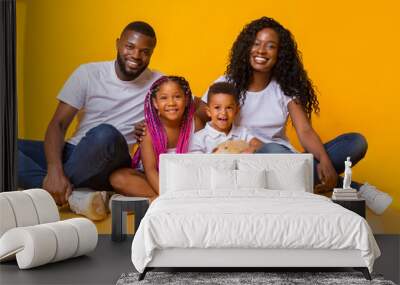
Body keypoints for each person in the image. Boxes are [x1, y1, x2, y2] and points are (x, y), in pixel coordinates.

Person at [195, 17, 392, 214]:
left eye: (270, 46)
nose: (261, 50)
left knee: (355, 142)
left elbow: (304, 130)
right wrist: (205, 149)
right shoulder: (227, 83)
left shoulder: (285, 88)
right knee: (271, 151)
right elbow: (201, 115)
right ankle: (355, 188)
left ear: (280, 54)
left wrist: (324, 161)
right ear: (246, 48)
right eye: (256, 43)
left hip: (288, 159)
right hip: (252, 162)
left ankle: (310, 180)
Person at [17, 21, 162, 219]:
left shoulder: (158, 84)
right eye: (130, 47)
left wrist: (156, 127)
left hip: (112, 156)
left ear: (152, 53)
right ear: (118, 44)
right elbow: (58, 125)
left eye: (145, 51)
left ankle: (53, 189)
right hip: (75, 151)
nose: (136, 56)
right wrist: (54, 170)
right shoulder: (88, 73)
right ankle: (74, 196)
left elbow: (195, 107)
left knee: (106, 133)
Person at [109, 76, 203, 201]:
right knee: (118, 178)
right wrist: (167, 196)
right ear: (155, 103)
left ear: (186, 100)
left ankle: (152, 200)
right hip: (155, 179)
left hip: (185, 180)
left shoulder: (195, 123)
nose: (171, 103)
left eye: (177, 97)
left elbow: (202, 161)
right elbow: (150, 170)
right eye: (164, 98)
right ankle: (166, 200)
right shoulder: (148, 131)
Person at [190, 82, 262, 154]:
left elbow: (259, 145)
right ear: (208, 111)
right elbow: (196, 162)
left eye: (229, 107)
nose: (223, 112)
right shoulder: (199, 138)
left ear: (236, 111)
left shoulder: (242, 133)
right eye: (217, 107)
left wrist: (251, 150)